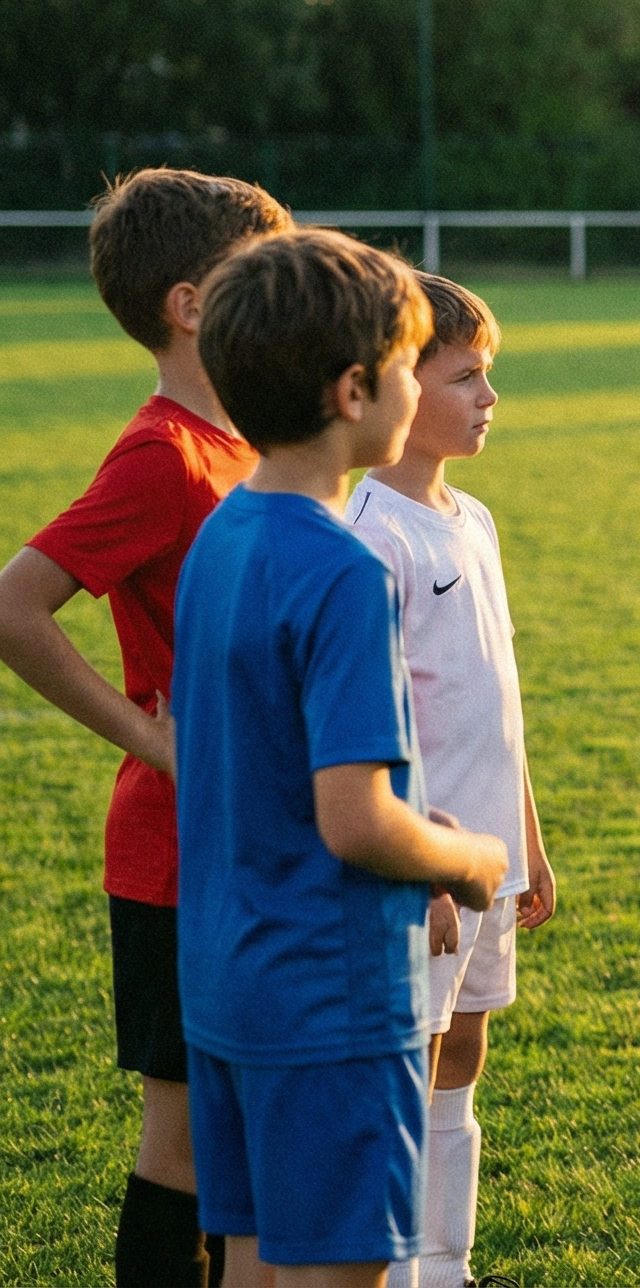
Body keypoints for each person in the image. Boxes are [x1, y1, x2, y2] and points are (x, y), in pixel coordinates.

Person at [169, 229, 511, 1285]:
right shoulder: (344, 569)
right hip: (333, 991)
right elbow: (355, 820)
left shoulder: (224, 533)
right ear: (356, 390)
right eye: (411, 364)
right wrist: (466, 858)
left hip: (226, 977)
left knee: (251, 1261)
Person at [0, 169, 289, 1285]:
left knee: (245, 1142)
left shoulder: (245, 441)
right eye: (259, 273)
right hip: (180, 855)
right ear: (190, 305)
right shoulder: (163, 455)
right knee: (188, 1145)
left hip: (258, 842)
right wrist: (154, 741)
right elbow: (16, 606)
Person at [346, 274, 558, 1288]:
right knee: (412, 1059)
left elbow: (495, 696)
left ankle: (446, 1264)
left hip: (491, 856)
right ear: (394, 382)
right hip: (423, 865)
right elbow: (377, 722)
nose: (489, 396)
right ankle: (395, 1270)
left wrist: (528, 843)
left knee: (463, 1053)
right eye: (466, 377)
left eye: (490, 374)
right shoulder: (371, 533)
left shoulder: (472, 516)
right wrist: (419, 868)